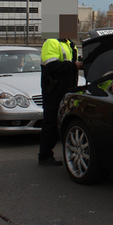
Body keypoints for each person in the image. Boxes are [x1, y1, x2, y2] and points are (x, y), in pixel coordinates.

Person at [38, 38, 82, 166]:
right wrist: (74, 65)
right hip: (53, 91)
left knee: (61, 123)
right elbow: (51, 66)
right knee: (50, 123)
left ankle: (56, 154)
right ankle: (45, 156)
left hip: (66, 90)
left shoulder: (70, 44)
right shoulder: (52, 42)